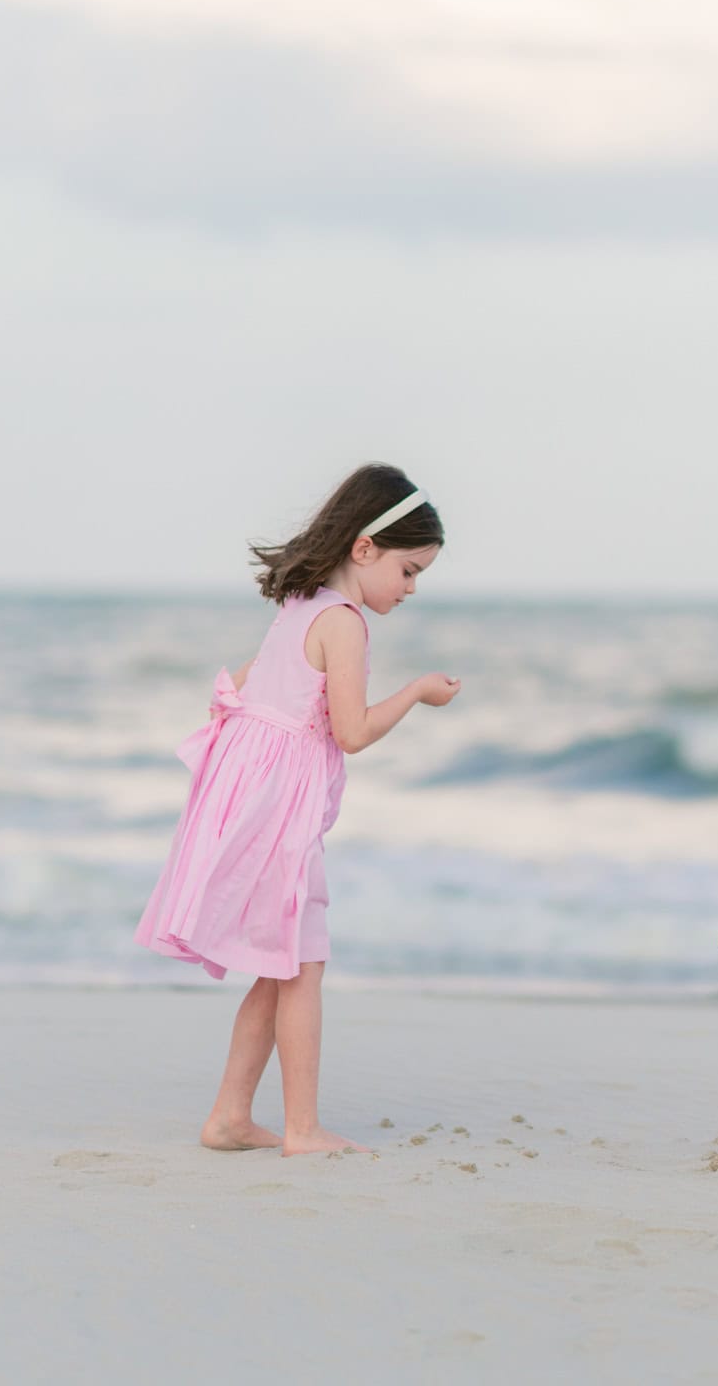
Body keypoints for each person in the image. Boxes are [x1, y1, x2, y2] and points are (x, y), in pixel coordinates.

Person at [135, 463, 460, 1155]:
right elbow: (352, 731)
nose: (410, 590)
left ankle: (229, 1118)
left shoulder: (299, 606)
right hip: (280, 818)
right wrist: (416, 692)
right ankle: (302, 1129)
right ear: (365, 548)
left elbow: (249, 688)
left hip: (256, 802)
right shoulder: (342, 623)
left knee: (278, 964)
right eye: (409, 571)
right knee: (300, 967)